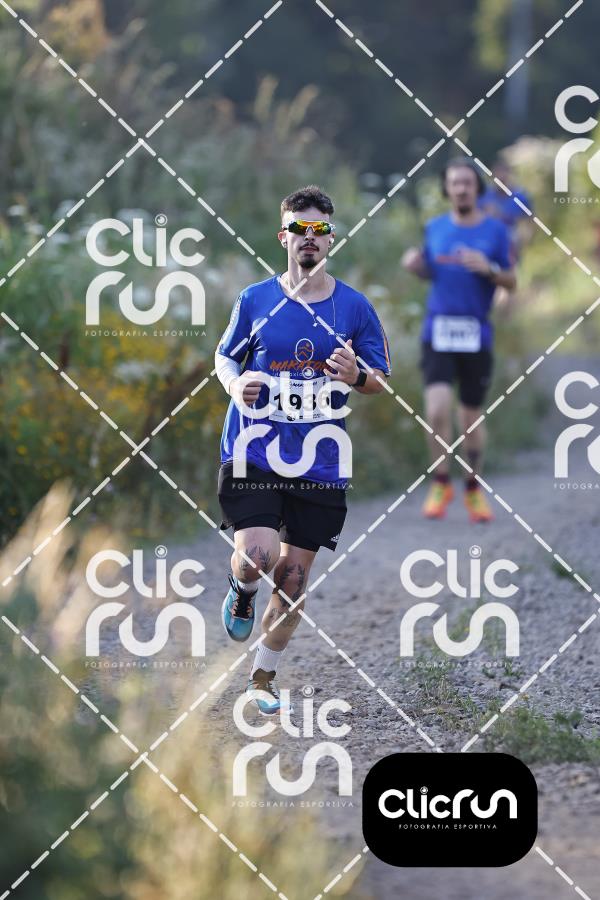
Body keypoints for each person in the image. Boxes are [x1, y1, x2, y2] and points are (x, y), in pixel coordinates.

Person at [215, 185, 391, 714]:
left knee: (292, 581)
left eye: (319, 230)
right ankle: (242, 589)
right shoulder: (256, 300)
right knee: (258, 559)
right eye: (299, 228)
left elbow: (380, 379)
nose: (309, 238)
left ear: (331, 239)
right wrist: (235, 385)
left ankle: (262, 679)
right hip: (255, 448)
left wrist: (356, 375)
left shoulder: (354, 307)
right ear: (283, 236)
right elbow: (225, 357)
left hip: (320, 456)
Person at [402, 157, 516, 522]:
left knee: (469, 418)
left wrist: (489, 268)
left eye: (467, 183)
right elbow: (429, 270)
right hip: (437, 330)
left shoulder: (496, 232)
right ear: (447, 189)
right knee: (436, 411)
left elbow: (512, 280)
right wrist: (415, 265)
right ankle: (441, 482)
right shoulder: (434, 227)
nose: (462, 189)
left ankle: (472, 487)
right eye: (455, 183)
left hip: (475, 333)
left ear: (477, 188)